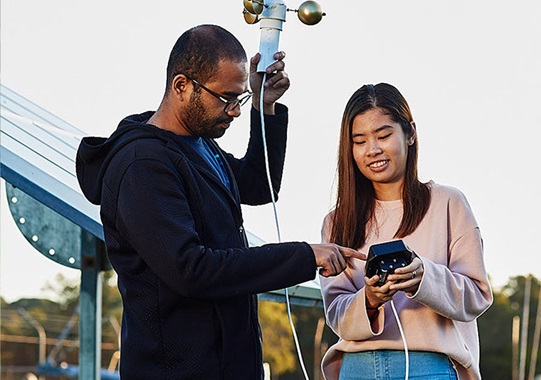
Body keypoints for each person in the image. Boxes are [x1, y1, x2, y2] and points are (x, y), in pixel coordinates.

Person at [75, 24, 363, 379]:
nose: (234, 111)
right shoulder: (143, 165)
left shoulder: (199, 144)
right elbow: (190, 270)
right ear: (182, 86)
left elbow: (259, 185)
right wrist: (304, 256)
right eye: (225, 98)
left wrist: (264, 105)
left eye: (239, 98)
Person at [318, 83, 493, 380]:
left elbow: (477, 296)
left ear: (410, 133)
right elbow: (336, 315)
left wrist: (422, 276)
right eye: (359, 141)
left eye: (383, 136)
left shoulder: (449, 203)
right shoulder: (337, 221)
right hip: (357, 369)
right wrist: (370, 299)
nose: (372, 150)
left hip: (430, 367)